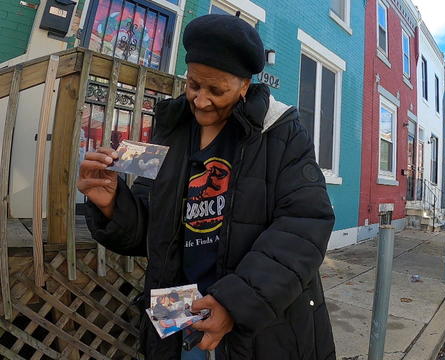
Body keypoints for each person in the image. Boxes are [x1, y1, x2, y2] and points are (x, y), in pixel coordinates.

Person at [77, 12, 336, 360]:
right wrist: (112, 204)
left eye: (217, 90)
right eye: (194, 85)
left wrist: (235, 303)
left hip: (257, 326)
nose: (200, 100)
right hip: (178, 312)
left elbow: (304, 226)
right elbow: (150, 229)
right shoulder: (171, 129)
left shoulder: (282, 132)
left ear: (245, 85)